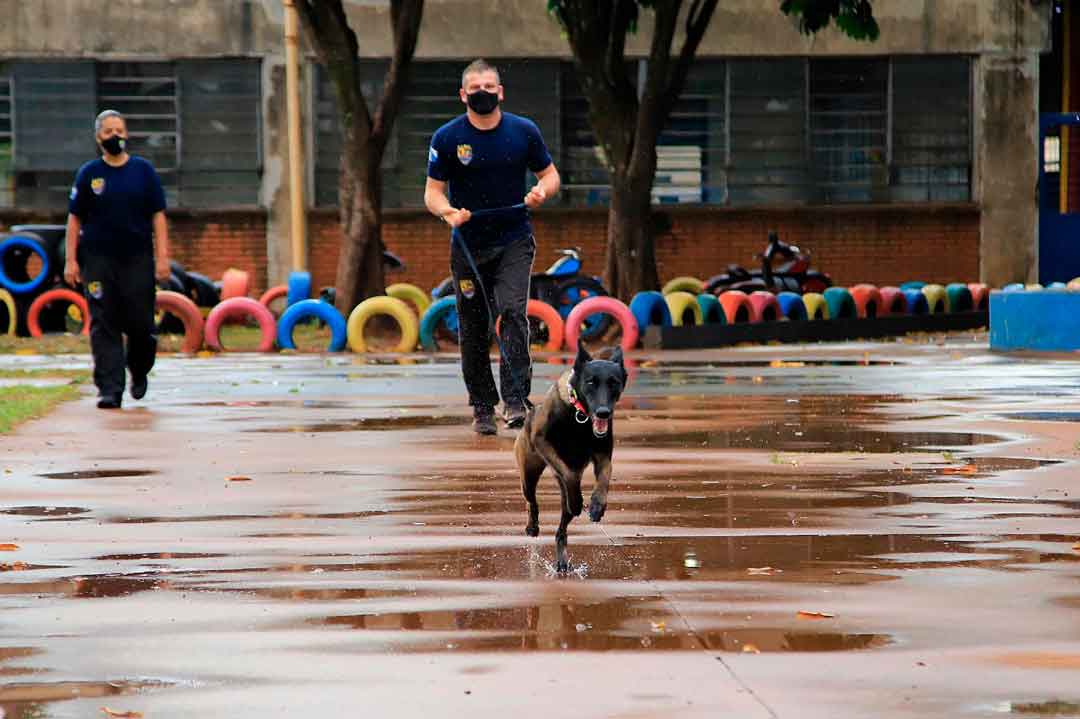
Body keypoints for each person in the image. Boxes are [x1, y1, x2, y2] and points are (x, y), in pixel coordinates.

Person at [424, 59, 561, 435]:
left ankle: (515, 400)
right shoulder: (447, 138)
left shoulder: (523, 131)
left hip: (514, 240)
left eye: (489, 86)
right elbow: (432, 193)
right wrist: (447, 212)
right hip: (468, 245)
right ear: (463, 95)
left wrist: (541, 192)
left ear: (500, 92)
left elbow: (550, 175)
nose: (482, 93)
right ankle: (483, 406)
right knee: (473, 326)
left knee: (514, 313)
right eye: (475, 87)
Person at [64, 110, 171, 410]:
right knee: (104, 324)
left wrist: (163, 257)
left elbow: (158, 216)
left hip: (137, 260)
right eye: (108, 131)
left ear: (127, 134)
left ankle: (138, 369)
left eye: (119, 130)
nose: (115, 136)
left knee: (141, 325)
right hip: (98, 260)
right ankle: (110, 389)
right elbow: (74, 219)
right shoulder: (89, 174)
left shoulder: (143, 171)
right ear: (99, 138)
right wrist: (71, 261)